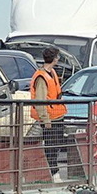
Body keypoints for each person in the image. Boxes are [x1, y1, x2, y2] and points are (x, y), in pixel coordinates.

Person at [30, 47, 68, 182]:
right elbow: (40, 101)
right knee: (51, 146)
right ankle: (53, 173)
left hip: (57, 115)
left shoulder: (51, 72)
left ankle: (54, 172)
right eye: (58, 57)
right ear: (55, 58)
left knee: (56, 144)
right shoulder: (42, 77)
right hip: (50, 117)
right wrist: (45, 119)